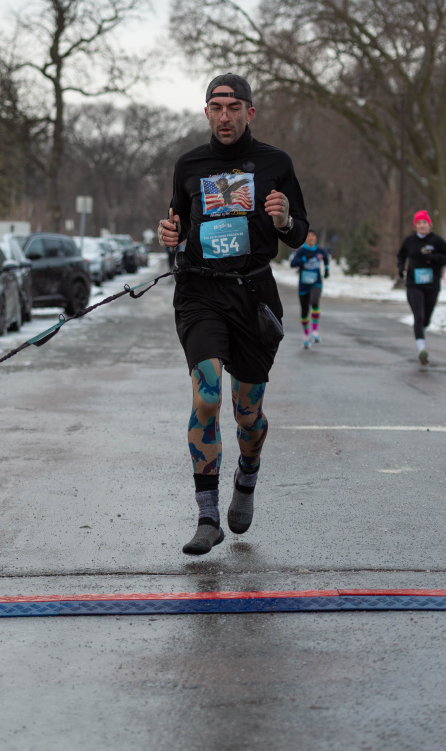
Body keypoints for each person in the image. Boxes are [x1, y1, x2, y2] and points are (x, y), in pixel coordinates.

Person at [158, 73, 308, 555]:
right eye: (217, 107)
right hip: (200, 293)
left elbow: (298, 233)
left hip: (253, 295)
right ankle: (207, 517)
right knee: (206, 397)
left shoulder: (276, 163)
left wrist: (284, 218)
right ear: (207, 113)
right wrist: (169, 236)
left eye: (234, 107)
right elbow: (178, 226)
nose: (225, 116)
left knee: (248, 414)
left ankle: (248, 474)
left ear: (250, 112)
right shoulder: (188, 164)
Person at [397, 210, 446, 365]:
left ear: (430, 224)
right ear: (415, 225)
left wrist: (433, 257)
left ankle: (421, 332)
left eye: (424, 222)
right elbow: (401, 255)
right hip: (413, 284)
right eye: (419, 223)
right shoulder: (410, 241)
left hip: (432, 285)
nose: (422, 225)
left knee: (426, 319)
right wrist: (401, 268)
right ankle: (421, 350)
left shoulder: (437, 241)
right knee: (419, 316)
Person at [290, 231, 330, 348]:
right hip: (303, 285)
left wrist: (327, 269)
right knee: (304, 311)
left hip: (316, 282)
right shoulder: (301, 251)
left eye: (312, 236)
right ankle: (306, 336)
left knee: (314, 302)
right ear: (305, 238)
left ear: (315, 238)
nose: (310, 238)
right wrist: (304, 259)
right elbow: (293, 264)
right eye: (308, 236)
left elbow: (326, 258)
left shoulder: (320, 251)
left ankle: (315, 332)